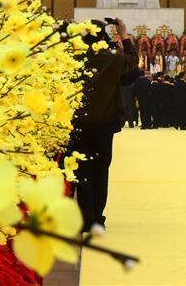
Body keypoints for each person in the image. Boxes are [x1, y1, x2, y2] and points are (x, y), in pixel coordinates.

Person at [69, 19, 139, 233]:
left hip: (79, 123)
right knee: (101, 170)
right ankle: (97, 218)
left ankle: (85, 218)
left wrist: (70, 31)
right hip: (105, 124)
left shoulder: (75, 57)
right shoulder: (113, 59)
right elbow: (133, 60)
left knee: (82, 171)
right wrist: (123, 34)